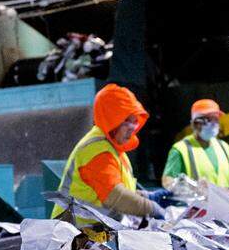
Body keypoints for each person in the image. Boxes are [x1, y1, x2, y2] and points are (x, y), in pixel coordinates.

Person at [52, 84, 170, 224]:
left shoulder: (114, 149)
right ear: (110, 119)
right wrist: (151, 208)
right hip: (74, 235)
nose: (132, 128)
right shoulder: (97, 151)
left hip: (90, 235)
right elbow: (116, 197)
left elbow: (115, 192)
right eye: (126, 120)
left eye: (134, 121)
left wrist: (147, 197)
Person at [162, 98, 229, 190]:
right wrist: (192, 187)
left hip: (225, 203)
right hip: (197, 204)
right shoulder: (181, 149)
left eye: (216, 119)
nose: (214, 124)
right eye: (209, 119)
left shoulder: (224, 147)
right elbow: (167, 182)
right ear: (195, 123)